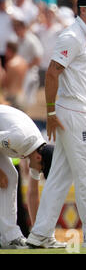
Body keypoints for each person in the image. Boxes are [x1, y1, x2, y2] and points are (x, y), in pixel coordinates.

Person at [26, 0, 86, 249]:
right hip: (71, 113)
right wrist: (50, 112)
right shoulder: (72, 36)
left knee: (61, 176)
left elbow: (79, 79)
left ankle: (40, 235)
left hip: (78, 109)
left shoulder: (83, 36)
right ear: (83, 9)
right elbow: (52, 73)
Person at [0, 104, 54, 249]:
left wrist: (39, 234)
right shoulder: (21, 138)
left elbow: (33, 194)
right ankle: (9, 237)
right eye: (42, 171)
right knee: (7, 176)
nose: (40, 173)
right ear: (38, 159)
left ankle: (9, 237)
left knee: (11, 177)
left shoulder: (37, 151)